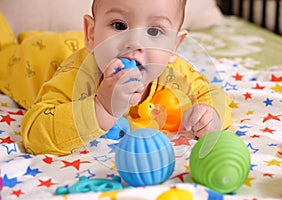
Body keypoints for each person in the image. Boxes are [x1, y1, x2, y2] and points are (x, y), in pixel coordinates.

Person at [0, 0, 232, 156]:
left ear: (174, 47)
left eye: (154, 31)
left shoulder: (174, 73)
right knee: (5, 54)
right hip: (35, 61)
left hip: (67, 41)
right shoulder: (76, 74)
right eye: (119, 25)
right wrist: (101, 107)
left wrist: (209, 114)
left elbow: (211, 93)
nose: (135, 43)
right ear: (91, 34)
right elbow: (34, 132)